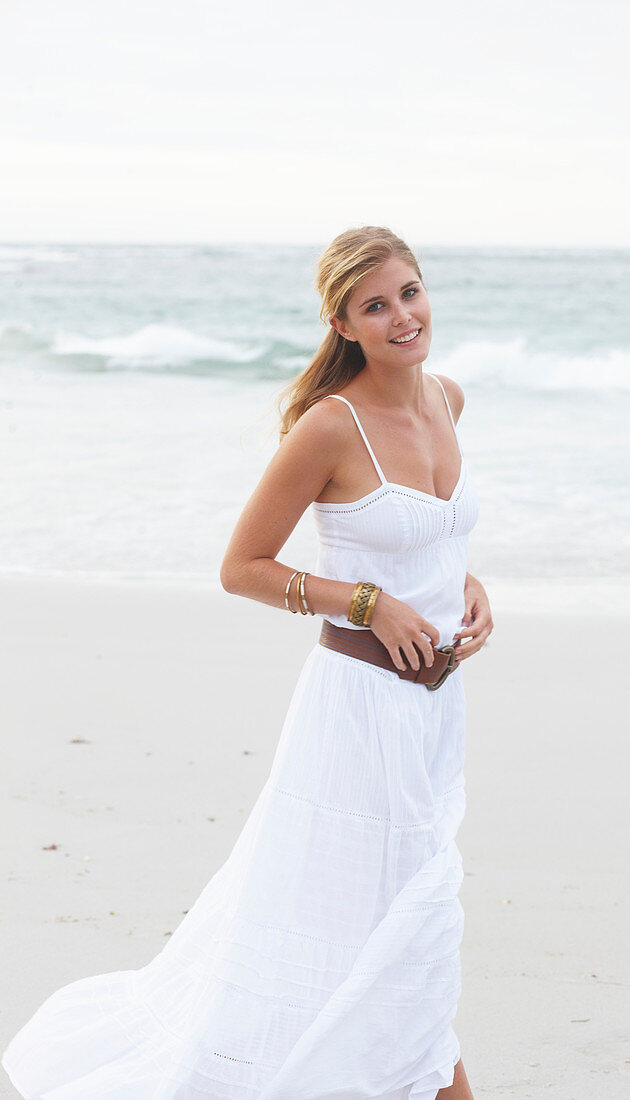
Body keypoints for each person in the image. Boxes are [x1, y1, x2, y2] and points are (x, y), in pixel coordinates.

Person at [2, 225, 493, 1099]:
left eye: (409, 292)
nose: (401, 317)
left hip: (433, 710)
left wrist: (468, 588)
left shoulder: (447, 399)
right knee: (405, 911)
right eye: (373, 306)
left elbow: (423, 534)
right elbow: (242, 569)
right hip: (358, 710)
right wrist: (368, 604)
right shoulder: (327, 427)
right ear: (342, 325)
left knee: (396, 909)